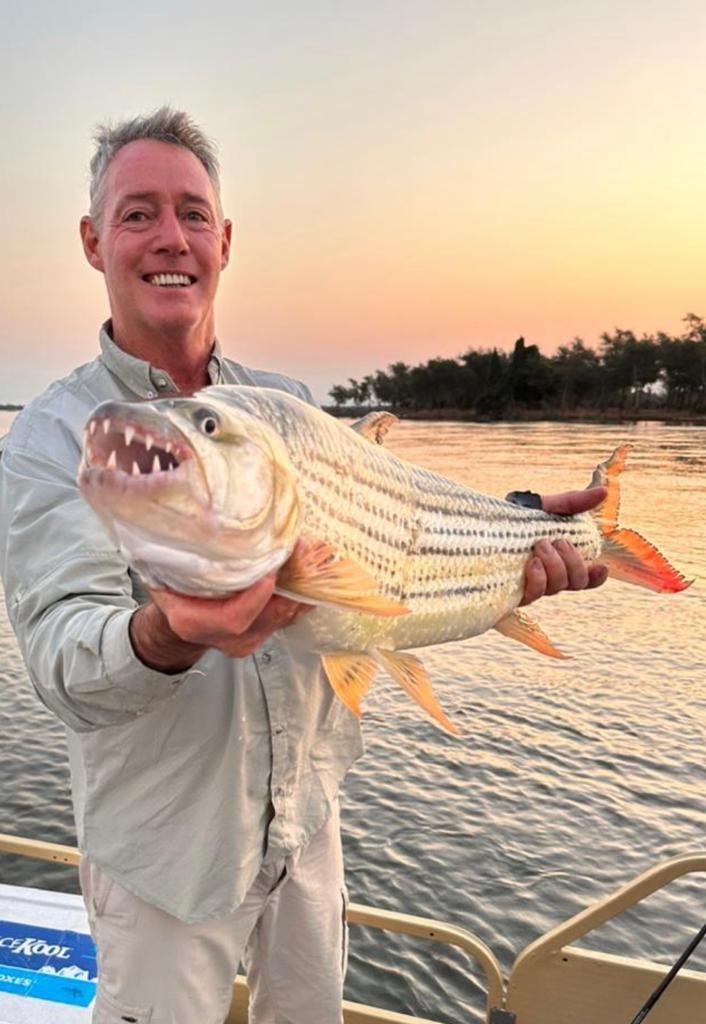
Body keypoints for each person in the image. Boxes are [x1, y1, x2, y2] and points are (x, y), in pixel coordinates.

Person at [0, 108, 607, 1024]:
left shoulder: (288, 407)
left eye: (193, 214)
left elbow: (402, 535)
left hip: (306, 827)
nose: (171, 238)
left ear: (225, 241)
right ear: (93, 242)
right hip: (162, 863)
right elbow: (61, 660)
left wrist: (513, 534)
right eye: (138, 214)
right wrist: (168, 634)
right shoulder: (55, 436)